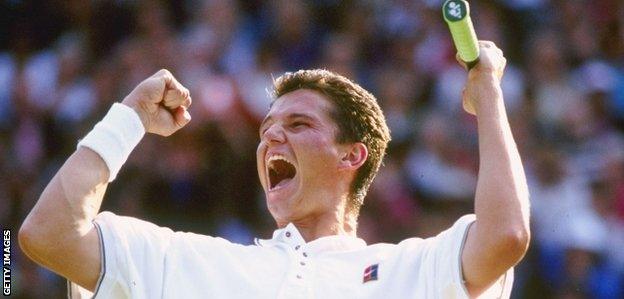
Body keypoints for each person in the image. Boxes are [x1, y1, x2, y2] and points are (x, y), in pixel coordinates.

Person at [19, 41, 530, 298]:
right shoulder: (188, 260)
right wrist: (127, 118)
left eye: (299, 123)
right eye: (266, 127)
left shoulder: (410, 271)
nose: (270, 137)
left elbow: (506, 234)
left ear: (353, 155)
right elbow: (48, 234)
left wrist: (487, 94)